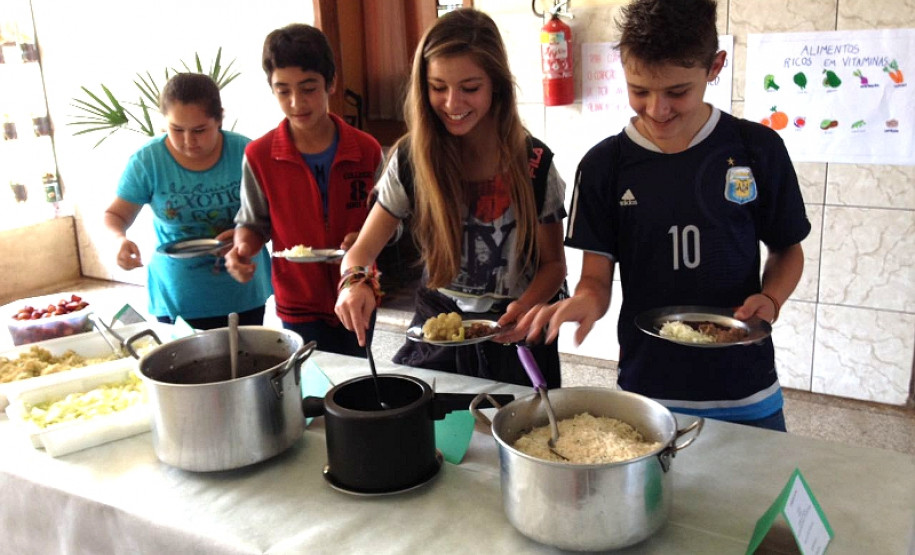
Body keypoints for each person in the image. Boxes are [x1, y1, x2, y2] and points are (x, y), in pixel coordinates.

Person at [521, 0, 811, 431]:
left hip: (745, 385)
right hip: (648, 389)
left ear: (714, 67)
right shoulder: (604, 166)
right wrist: (583, 302)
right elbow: (596, 280)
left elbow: (788, 249)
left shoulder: (757, 149)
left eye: (677, 91)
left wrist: (771, 299)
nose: (658, 109)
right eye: (639, 90)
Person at [334, 8, 568, 388]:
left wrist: (524, 309)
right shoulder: (411, 158)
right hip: (437, 327)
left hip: (516, 330)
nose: (452, 103)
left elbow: (554, 265)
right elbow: (359, 253)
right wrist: (354, 282)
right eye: (438, 87)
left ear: (497, 85)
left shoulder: (535, 164)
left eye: (470, 88)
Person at [225, 23, 383, 358]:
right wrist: (242, 249)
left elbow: (387, 222)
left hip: (356, 287)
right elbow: (254, 223)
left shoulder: (366, 150)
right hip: (298, 298)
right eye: (283, 91)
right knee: (308, 378)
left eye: (308, 88)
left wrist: (364, 240)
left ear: (331, 83)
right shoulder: (260, 155)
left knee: (357, 375)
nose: (297, 102)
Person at [104, 73, 272, 330]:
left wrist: (246, 236)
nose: (188, 141)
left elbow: (274, 215)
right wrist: (119, 240)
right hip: (177, 294)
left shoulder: (246, 153)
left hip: (242, 289)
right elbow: (116, 215)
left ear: (219, 119)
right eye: (176, 130)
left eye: (199, 130)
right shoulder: (148, 160)